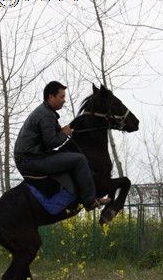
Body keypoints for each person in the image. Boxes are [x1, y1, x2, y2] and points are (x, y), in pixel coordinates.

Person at [14, 81, 111, 211]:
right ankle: (89, 201)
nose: (64, 101)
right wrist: (65, 133)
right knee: (79, 159)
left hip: (32, 157)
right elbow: (51, 142)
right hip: (30, 161)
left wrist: (64, 131)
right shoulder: (46, 115)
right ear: (51, 97)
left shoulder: (46, 112)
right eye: (62, 97)